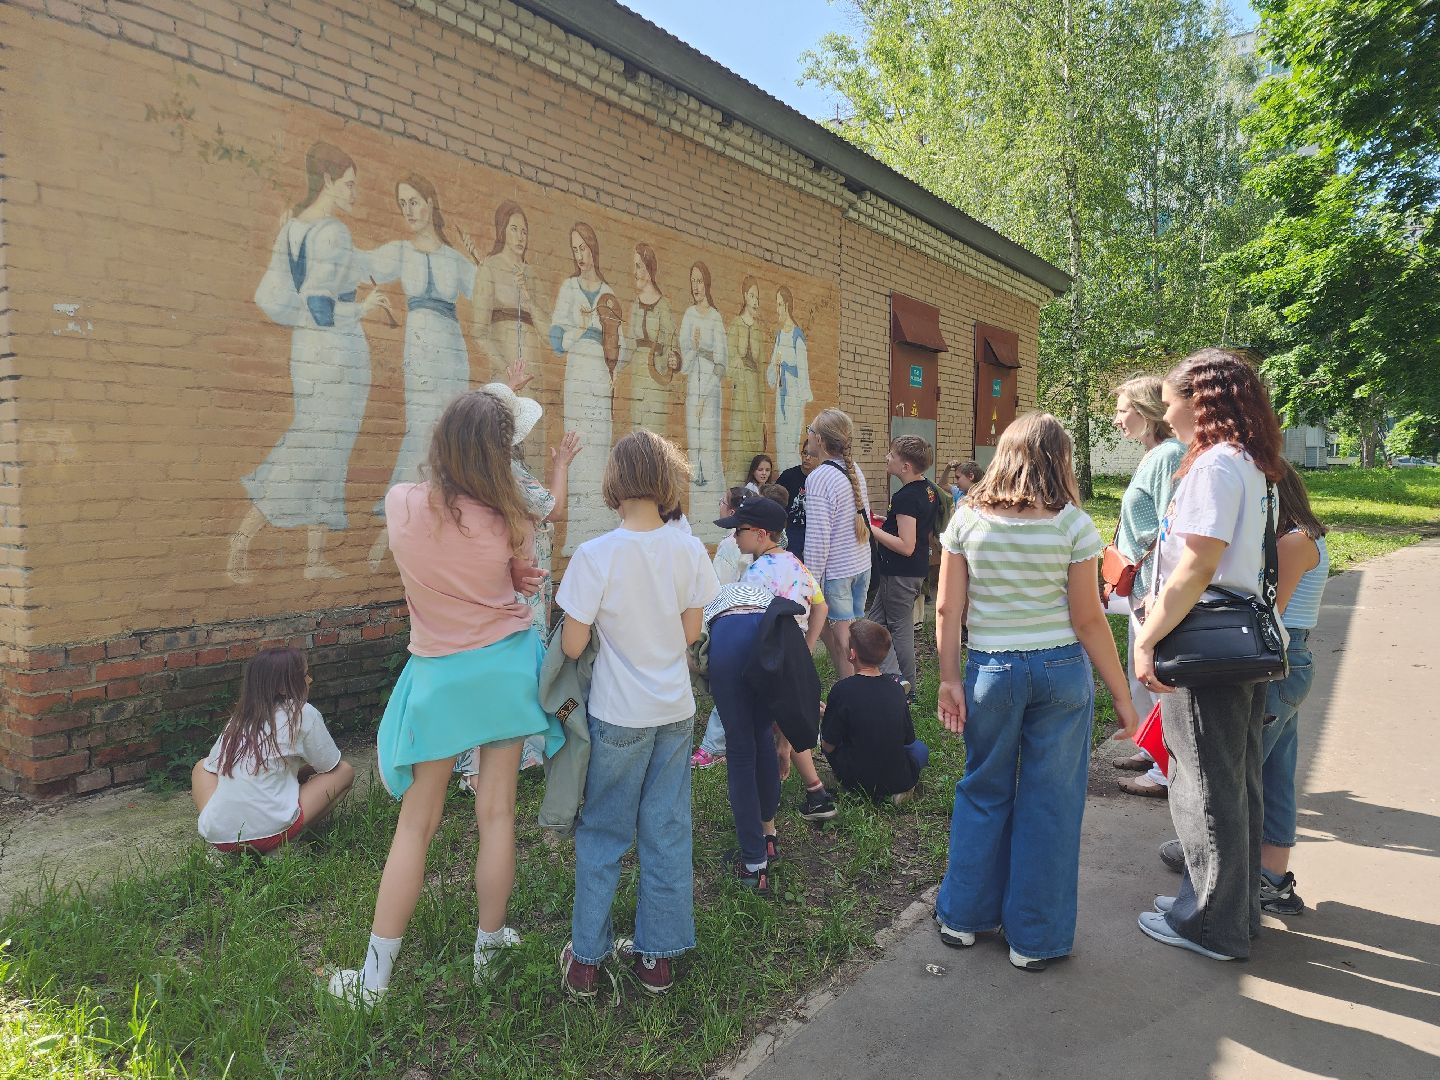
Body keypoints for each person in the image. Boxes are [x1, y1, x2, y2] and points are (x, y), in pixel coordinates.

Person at [326, 390, 559, 1007]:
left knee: (416, 824)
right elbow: (519, 574)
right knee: (497, 815)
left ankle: (374, 980)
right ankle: (489, 948)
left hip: (437, 679)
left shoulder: (401, 504)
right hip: (505, 672)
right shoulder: (513, 521)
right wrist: (511, 574)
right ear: (500, 454)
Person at [933, 413, 1139, 972]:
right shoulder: (1072, 524)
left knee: (983, 787)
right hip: (1060, 673)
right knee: (1051, 803)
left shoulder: (967, 519)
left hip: (990, 670)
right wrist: (1122, 696)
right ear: (1061, 458)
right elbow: (1089, 619)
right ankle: (1034, 939)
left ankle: (962, 919)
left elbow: (949, 608)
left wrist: (949, 680)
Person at [1132, 347, 1287, 962]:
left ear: (1202, 402)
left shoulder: (1216, 466)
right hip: (1240, 641)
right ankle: (1237, 913)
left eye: (1171, 403)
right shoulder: (1249, 462)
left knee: (1203, 784)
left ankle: (1209, 923)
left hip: (1205, 643)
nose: (1167, 417)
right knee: (1236, 779)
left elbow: (1197, 565)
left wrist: (1146, 637)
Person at [556, 430, 720, 998]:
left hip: (616, 714)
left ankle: (586, 960)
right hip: (674, 710)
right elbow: (692, 632)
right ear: (667, 481)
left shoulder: (594, 556)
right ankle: (657, 958)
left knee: (603, 832)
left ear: (614, 483)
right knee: (667, 829)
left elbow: (573, 647)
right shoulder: (691, 548)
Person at [1159, 463, 1329, 915]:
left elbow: (1270, 609)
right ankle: (1269, 875)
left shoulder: (1294, 542)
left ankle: (1236, 876)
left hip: (1279, 663)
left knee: (1238, 775)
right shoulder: (1306, 537)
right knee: (1270, 773)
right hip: (1292, 663)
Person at [456, 385, 581, 782]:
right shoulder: (508, 470)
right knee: (524, 661)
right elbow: (553, 510)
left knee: (487, 661)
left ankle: (474, 756)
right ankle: (515, 750)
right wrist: (561, 465)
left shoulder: (466, 470)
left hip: (485, 578)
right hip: (520, 578)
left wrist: (514, 388)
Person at [720, 496, 836, 822]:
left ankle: (799, 794)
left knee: (769, 725)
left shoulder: (755, 575)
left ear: (759, 534)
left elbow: (749, 623)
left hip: (769, 655)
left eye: (738, 531)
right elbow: (821, 606)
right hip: (794, 652)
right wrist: (808, 644)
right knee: (789, 718)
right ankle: (808, 786)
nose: (734, 538)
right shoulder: (793, 562)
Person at [192, 646, 355, 856]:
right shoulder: (302, 713)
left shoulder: (240, 718)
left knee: (201, 768)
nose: (310, 680)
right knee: (344, 771)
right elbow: (329, 765)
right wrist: (306, 773)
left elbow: (217, 766)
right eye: (304, 675)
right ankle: (283, 846)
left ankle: (224, 838)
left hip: (220, 840)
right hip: (272, 833)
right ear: (283, 687)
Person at [1108, 375, 1186, 798]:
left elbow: (1167, 527)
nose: (1117, 420)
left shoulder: (1167, 455)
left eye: (1122, 410)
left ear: (1145, 411)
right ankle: (1152, 750)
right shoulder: (1157, 453)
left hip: (1151, 586)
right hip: (1142, 587)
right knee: (1141, 675)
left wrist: (1155, 587)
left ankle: (1163, 770)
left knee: (1153, 674)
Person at [821, 620, 927, 804]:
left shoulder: (842, 690)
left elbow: (828, 745)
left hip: (855, 779)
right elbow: (908, 740)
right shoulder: (896, 689)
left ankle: (850, 786)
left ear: (852, 655)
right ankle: (900, 790)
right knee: (920, 749)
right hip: (899, 779)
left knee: (828, 741)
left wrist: (828, 717)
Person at [868, 435, 940, 697]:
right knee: (875, 623)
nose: (887, 458)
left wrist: (871, 531)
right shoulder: (927, 489)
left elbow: (906, 545)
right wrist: (884, 522)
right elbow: (911, 526)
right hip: (910, 571)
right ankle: (887, 678)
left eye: (892, 455)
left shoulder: (906, 497)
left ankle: (904, 687)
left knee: (899, 628)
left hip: (900, 572)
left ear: (905, 466)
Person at [803, 409, 872, 680]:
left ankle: (856, 692)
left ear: (819, 439)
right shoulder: (854, 470)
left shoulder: (819, 478)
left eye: (810, 429)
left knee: (845, 644)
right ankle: (862, 683)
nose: (807, 434)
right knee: (849, 634)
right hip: (859, 564)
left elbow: (818, 539)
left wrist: (809, 584)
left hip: (837, 573)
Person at [691, 486, 754, 770]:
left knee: (729, 684)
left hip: (729, 620)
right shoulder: (753, 542)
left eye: (721, 502)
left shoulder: (731, 544)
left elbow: (720, 586)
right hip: (745, 621)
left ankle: (713, 747)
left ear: (731, 511)